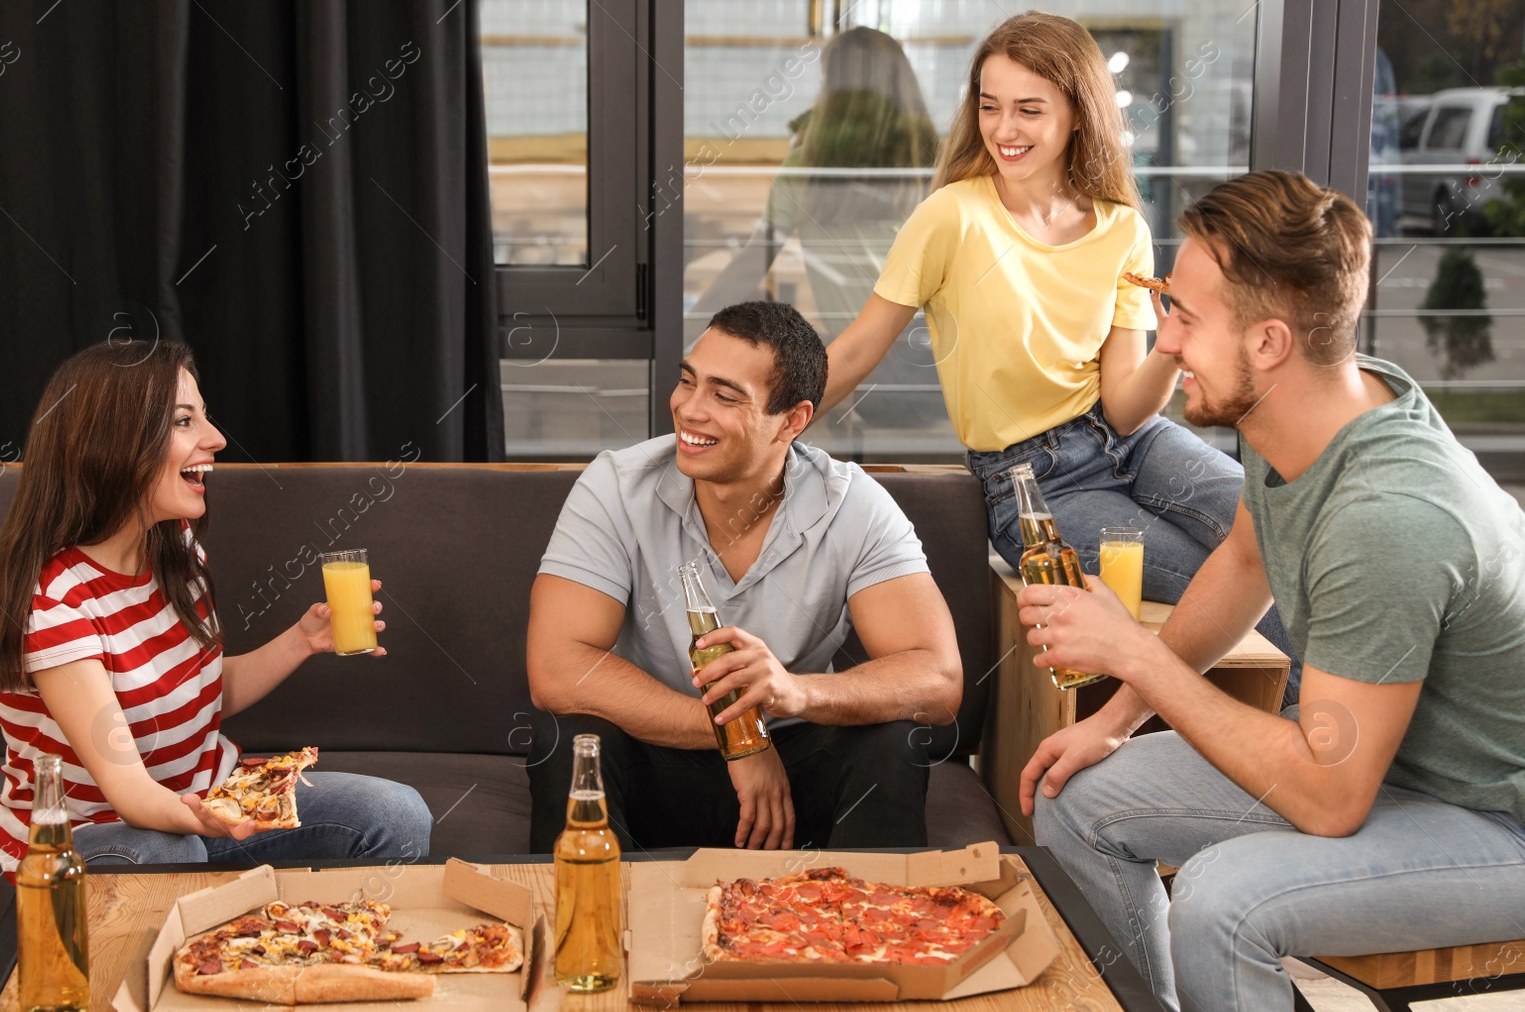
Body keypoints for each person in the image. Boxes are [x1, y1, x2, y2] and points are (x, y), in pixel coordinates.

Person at [1015, 171, 1525, 1012]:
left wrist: (1137, 652)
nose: (1162, 340)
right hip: (1390, 765)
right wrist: (1113, 717)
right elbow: (1247, 560)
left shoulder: (1387, 514)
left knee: (1223, 900)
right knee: (1075, 796)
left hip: (1494, 818)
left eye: (1180, 314)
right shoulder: (1304, 408)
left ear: (1271, 339)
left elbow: (1330, 797)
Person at [818, 12, 1296, 685]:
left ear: (1078, 112)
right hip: (1031, 485)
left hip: (1136, 441)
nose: (1004, 129)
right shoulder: (953, 217)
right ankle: (1321, 750)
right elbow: (860, 346)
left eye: (1028, 110)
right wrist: (768, 423)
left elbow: (1128, 410)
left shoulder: (1122, 228)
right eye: (990, 107)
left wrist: (1174, 341)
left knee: (1286, 535)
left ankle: (1357, 738)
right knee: (1234, 589)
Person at [0, 342, 432, 876]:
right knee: (176, 855)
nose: (215, 440)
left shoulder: (176, 548)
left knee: (395, 815)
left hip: (204, 805)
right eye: (185, 421)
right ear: (113, 443)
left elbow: (197, 700)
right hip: (85, 843)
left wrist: (302, 640)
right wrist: (213, 819)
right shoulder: (52, 605)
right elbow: (131, 794)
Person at [525, 301, 961, 852]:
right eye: (688, 382)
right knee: (565, 739)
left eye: (724, 396)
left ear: (793, 420)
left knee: (895, 740)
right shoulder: (614, 485)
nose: (688, 409)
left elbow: (938, 681)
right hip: (658, 761)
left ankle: (863, 929)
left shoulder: (855, 504)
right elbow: (556, 668)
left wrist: (796, 694)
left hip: (793, 774)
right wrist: (739, 738)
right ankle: (592, 929)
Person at [686, 26, 943, 429]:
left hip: (873, 379)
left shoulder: (808, 170)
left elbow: (751, 263)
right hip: (946, 373)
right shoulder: (938, 169)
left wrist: (686, 331)